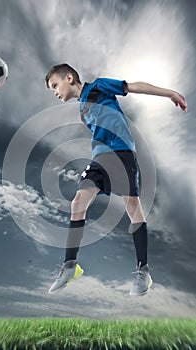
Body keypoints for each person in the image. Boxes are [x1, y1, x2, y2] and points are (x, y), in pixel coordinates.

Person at [45, 63, 187, 296]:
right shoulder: (82, 109)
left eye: (54, 85)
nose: (54, 92)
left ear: (69, 78)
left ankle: (143, 272)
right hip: (100, 157)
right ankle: (70, 266)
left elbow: (134, 87)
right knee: (78, 203)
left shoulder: (100, 86)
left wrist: (169, 93)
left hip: (121, 153)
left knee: (133, 207)